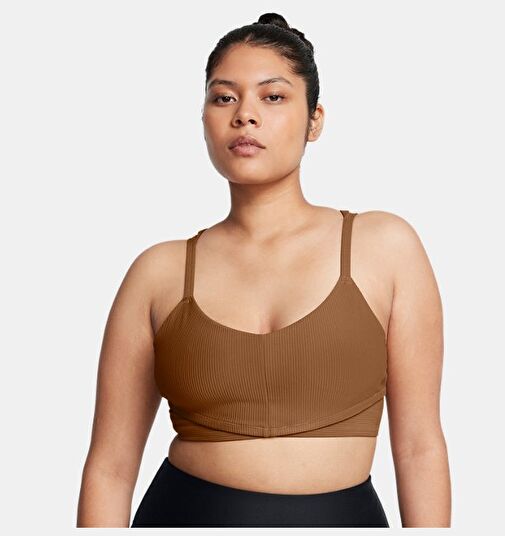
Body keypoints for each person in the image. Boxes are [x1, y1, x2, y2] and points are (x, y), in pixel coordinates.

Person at [76, 12, 451, 528]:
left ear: (314, 120)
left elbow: (419, 448)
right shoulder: (158, 273)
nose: (244, 116)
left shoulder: (384, 248)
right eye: (223, 98)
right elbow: (110, 468)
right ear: (203, 118)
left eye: (272, 97)